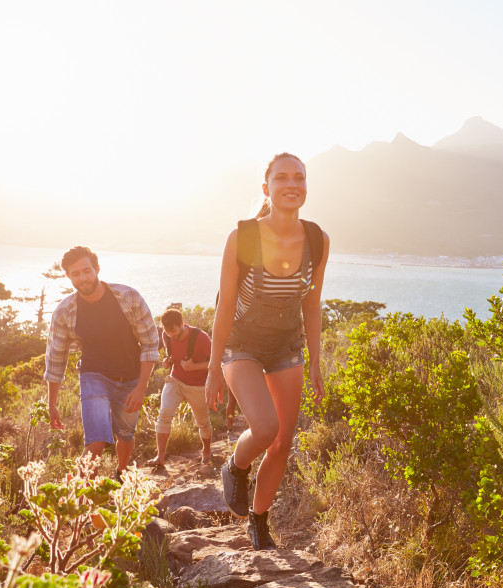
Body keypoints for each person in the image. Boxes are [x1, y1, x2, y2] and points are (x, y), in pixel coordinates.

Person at [206, 153, 330, 550]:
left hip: (286, 348)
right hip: (241, 344)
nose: (291, 185)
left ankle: (258, 523)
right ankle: (235, 465)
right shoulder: (242, 236)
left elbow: (312, 305)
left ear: (306, 186)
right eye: (281, 178)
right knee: (265, 428)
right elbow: (224, 306)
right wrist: (212, 368)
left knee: (283, 442)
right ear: (267, 188)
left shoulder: (317, 239)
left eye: (299, 178)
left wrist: (316, 360)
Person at [45, 246, 158, 477]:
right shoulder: (65, 311)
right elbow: (56, 359)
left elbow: (149, 343)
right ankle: (77, 502)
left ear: (97, 269)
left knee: (125, 435)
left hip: (131, 378)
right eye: (75, 274)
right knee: (95, 443)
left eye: (87, 271)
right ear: (68, 276)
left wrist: (141, 388)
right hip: (94, 376)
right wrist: (52, 404)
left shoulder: (128, 297)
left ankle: (122, 472)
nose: (83, 278)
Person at [148, 308, 213, 467]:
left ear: (182, 324)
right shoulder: (167, 335)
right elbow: (173, 356)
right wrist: (168, 361)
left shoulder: (201, 338)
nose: (171, 335)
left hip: (198, 386)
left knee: (203, 422)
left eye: (174, 331)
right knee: (164, 414)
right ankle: (160, 457)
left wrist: (195, 367)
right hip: (175, 380)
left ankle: (206, 451)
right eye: (167, 332)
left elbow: (218, 362)